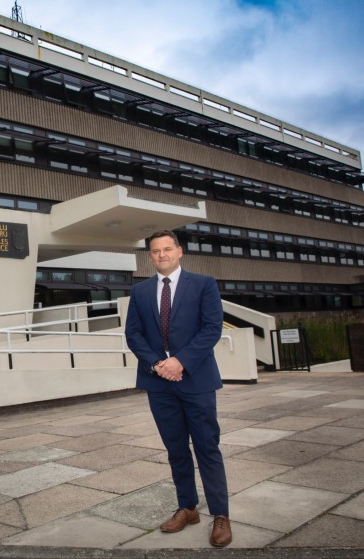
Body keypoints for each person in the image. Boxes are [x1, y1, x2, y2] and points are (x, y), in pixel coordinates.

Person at [124, 229, 231, 547]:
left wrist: (180, 362)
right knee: (176, 450)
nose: (162, 255)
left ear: (179, 251)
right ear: (150, 256)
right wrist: (158, 364)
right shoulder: (140, 291)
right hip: (159, 383)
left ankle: (220, 515)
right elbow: (133, 334)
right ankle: (188, 508)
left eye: (167, 249)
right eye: (156, 251)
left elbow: (211, 328)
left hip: (196, 380)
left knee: (207, 448)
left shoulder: (203, 284)